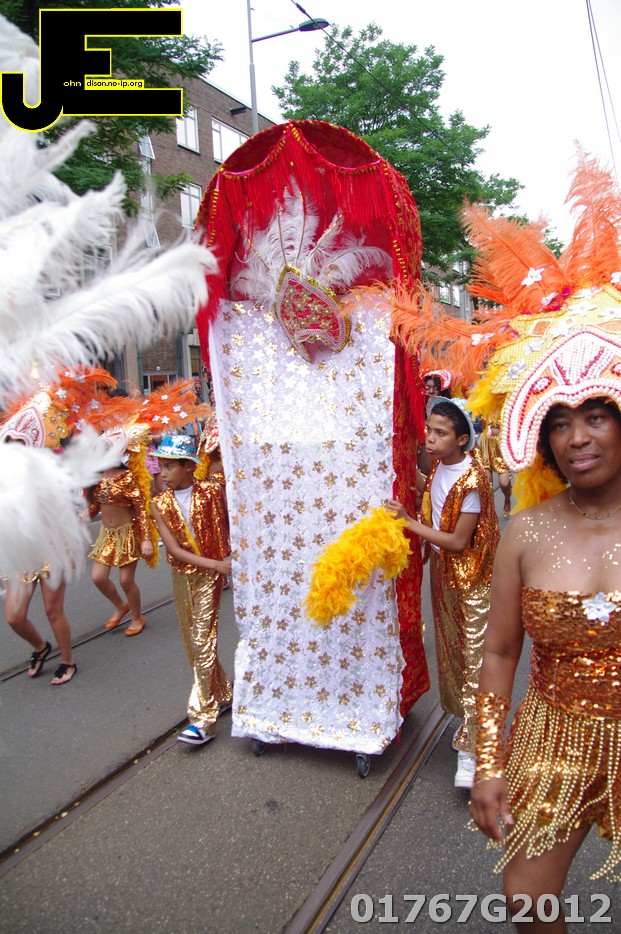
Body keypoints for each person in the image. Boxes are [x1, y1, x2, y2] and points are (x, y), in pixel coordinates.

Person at [388, 396, 499, 788]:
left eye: (440, 433)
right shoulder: (438, 465)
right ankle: (469, 725)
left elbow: (456, 541)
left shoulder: (474, 480)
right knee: (453, 654)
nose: (431, 439)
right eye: (429, 431)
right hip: (443, 577)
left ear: (462, 439)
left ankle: (473, 749)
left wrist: (408, 522)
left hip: (473, 581)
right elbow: (429, 492)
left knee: (474, 661)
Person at [150, 434, 232, 747]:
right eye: (161, 466)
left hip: (210, 577)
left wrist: (224, 562)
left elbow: (229, 522)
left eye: (170, 466)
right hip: (185, 576)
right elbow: (174, 550)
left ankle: (203, 719)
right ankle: (223, 693)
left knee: (201, 639)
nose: (163, 473)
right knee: (194, 644)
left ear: (188, 466)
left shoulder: (211, 491)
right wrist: (216, 564)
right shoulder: (159, 504)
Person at [87, 430, 154, 636]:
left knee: (126, 580)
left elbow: (141, 508)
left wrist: (146, 539)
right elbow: (95, 507)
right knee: (98, 578)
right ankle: (120, 605)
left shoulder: (127, 478)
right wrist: (80, 516)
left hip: (127, 533)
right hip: (106, 535)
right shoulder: (96, 479)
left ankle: (137, 617)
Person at [478, 418, 513, 517]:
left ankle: (507, 499)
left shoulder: (504, 409)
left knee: (504, 484)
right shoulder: (482, 409)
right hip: (486, 447)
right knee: (487, 484)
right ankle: (491, 512)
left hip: (501, 447)